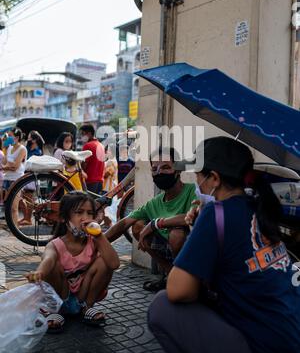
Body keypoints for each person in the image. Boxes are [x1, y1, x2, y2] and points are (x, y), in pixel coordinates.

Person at [148, 136, 300, 353]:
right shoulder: (259, 204)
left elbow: (178, 290)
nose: (197, 183)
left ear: (214, 179)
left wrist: (203, 224)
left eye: (199, 176)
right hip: (290, 336)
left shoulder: (217, 213)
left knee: (161, 307)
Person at [104, 147, 197, 292]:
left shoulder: (193, 191)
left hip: (193, 252)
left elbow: (191, 217)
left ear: (178, 170)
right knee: (137, 226)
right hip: (168, 249)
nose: (159, 172)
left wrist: (155, 223)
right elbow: (124, 223)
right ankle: (170, 274)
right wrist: (95, 242)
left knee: (176, 234)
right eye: (154, 169)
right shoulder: (156, 202)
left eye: (166, 167)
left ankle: (186, 280)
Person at [26, 191, 120, 332]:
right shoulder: (56, 244)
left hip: (83, 296)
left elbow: (114, 264)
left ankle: (87, 308)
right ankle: (55, 312)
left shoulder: (94, 241)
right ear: (65, 218)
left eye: (89, 213)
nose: (85, 218)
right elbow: (49, 259)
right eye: (79, 212)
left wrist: (99, 235)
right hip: (60, 295)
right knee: (54, 265)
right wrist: (40, 272)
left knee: (104, 261)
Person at [2, 128, 27, 223]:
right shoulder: (9, 148)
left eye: (10, 136)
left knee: (14, 207)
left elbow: (16, 167)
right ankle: (12, 226)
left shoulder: (22, 149)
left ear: (17, 137)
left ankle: (15, 229)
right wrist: (4, 147)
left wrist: (7, 166)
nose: (8, 138)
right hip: (7, 178)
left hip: (17, 179)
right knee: (7, 206)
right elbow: (4, 162)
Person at [79, 124, 105, 194]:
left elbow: (84, 164)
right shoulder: (101, 145)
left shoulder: (87, 145)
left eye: (83, 134)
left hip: (90, 181)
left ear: (89, 134)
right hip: (100, 181)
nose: (81, 136)